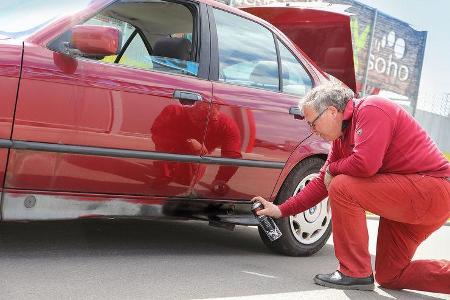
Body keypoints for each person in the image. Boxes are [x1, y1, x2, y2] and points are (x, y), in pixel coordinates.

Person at [252, 82, 450, 293]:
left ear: (331, 112)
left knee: (342, 186)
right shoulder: (341, 138)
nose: (312, 130)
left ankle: (354, 272)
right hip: (406, 200)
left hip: (433, 191)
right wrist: (281, 209)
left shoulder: (372, 109)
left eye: (313, 123)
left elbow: (366, 164)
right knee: (390, 275)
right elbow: (321, 182)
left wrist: (332, 169)